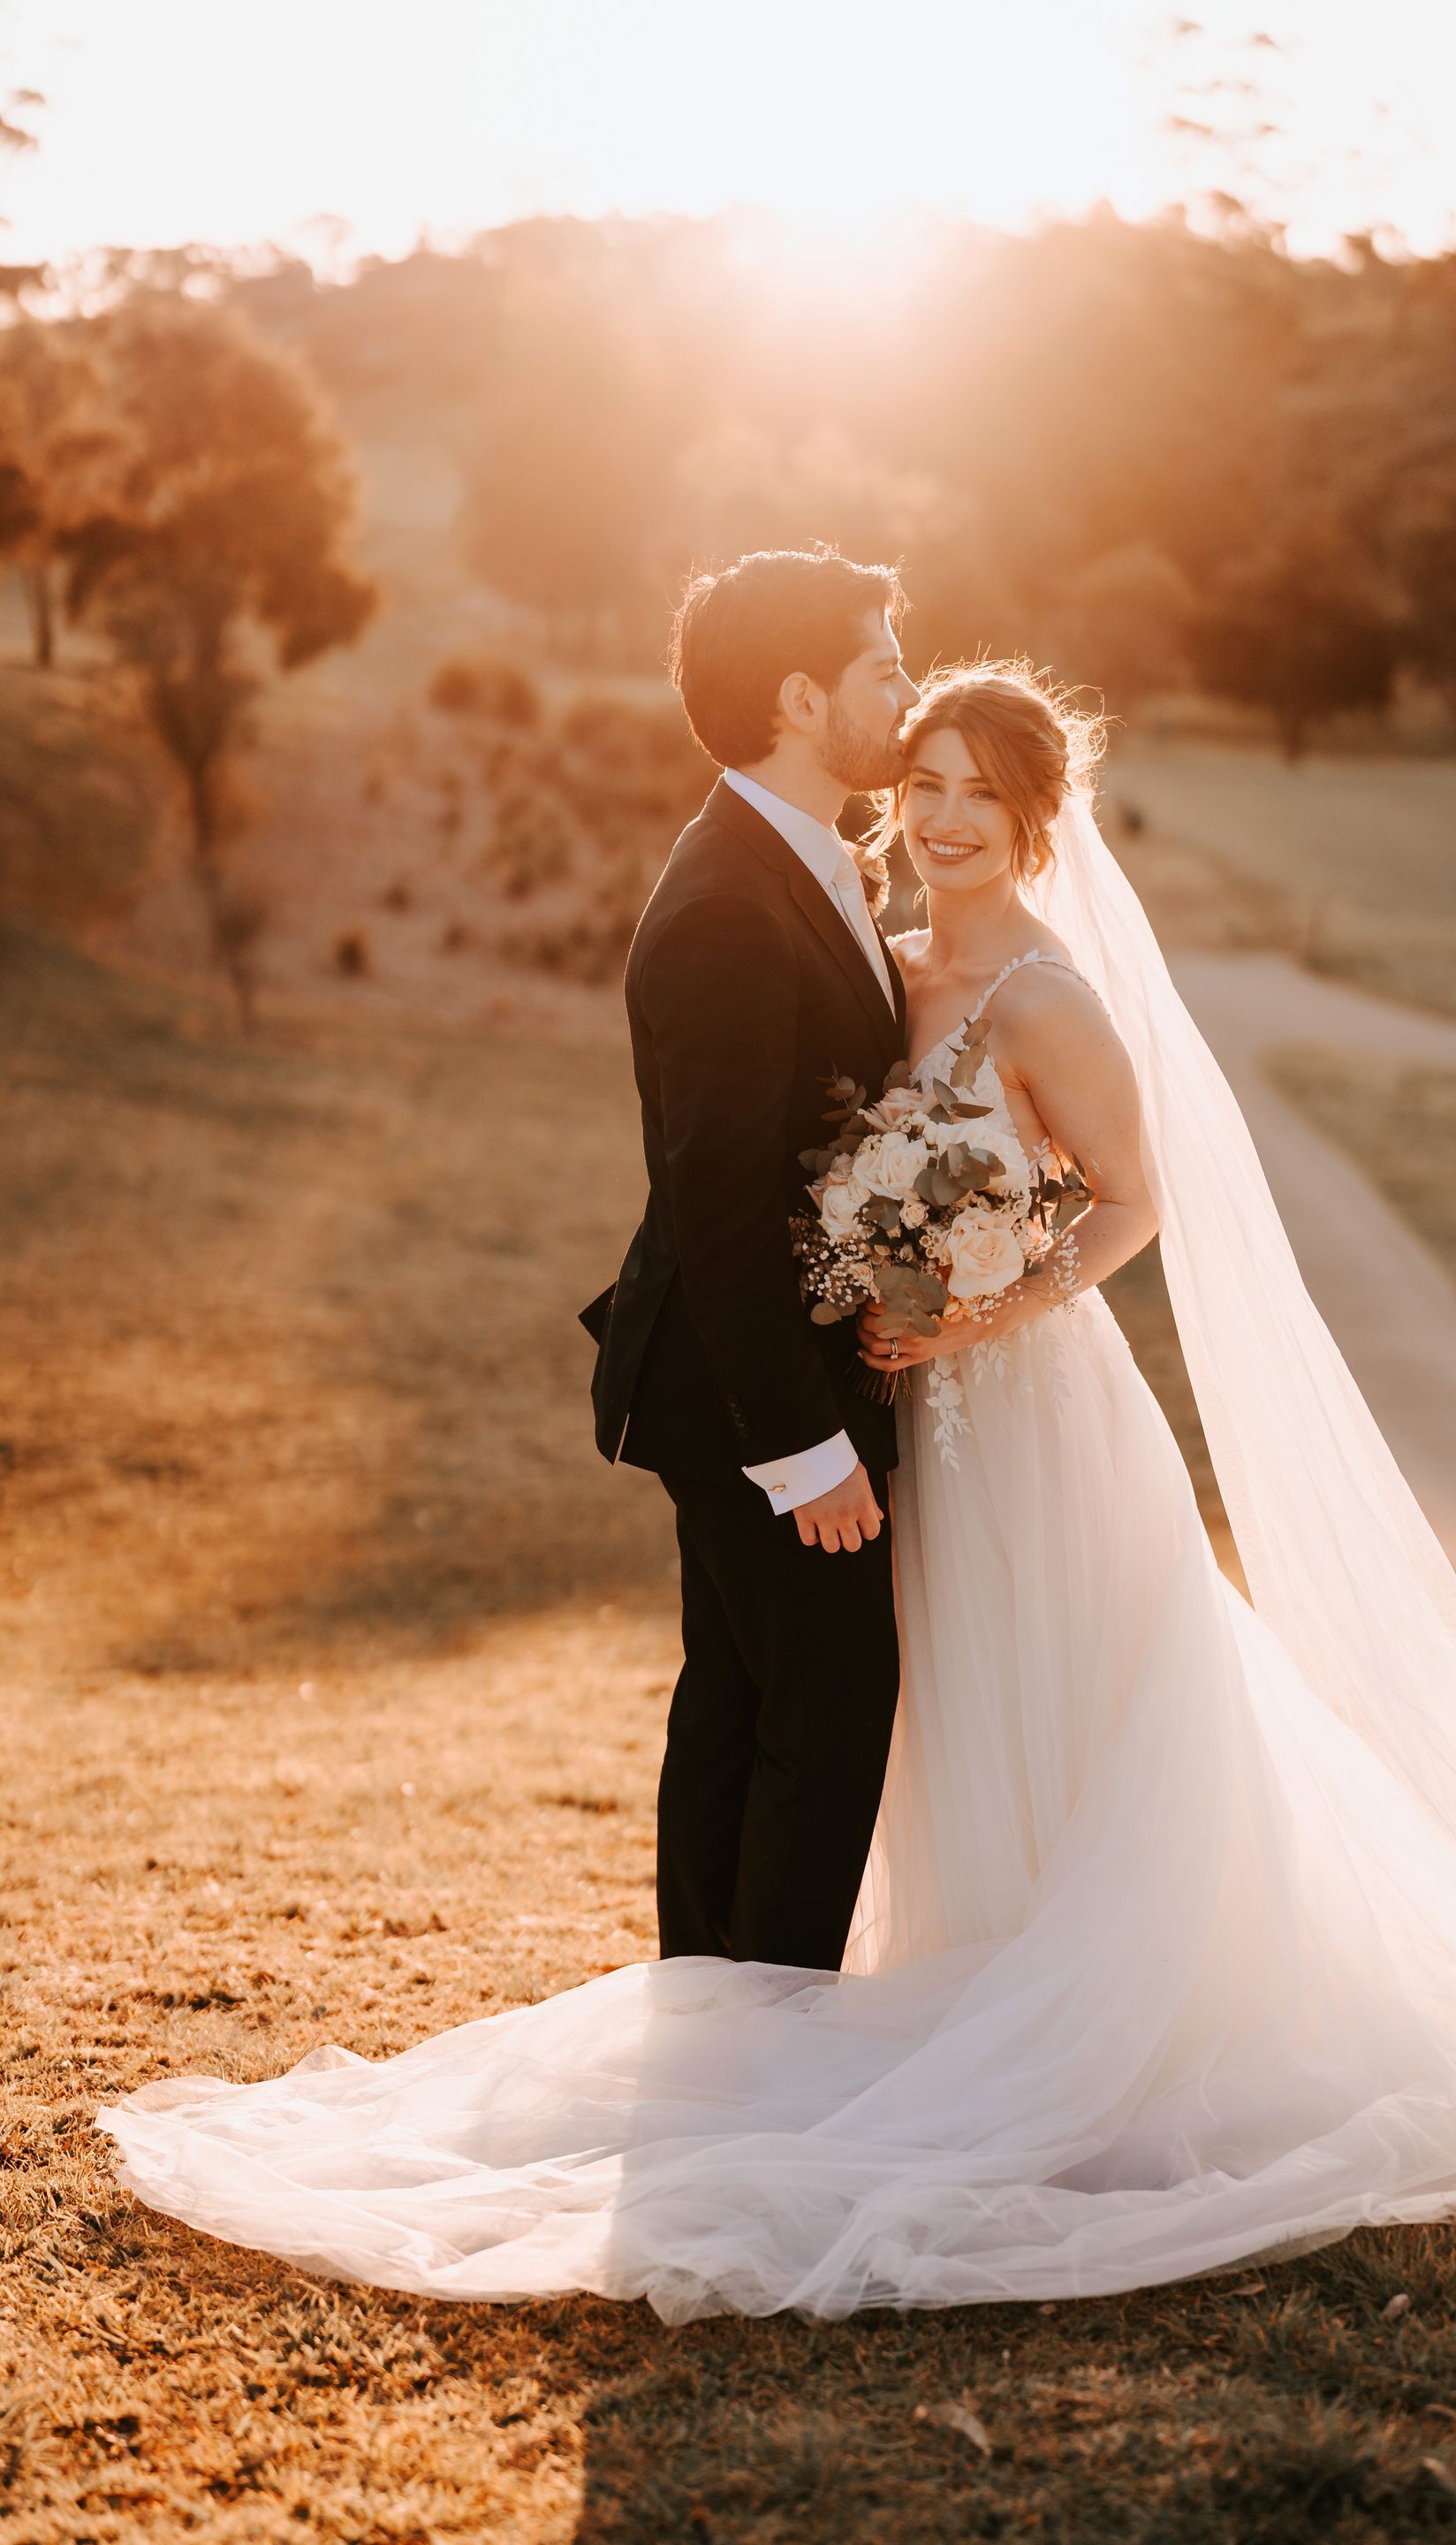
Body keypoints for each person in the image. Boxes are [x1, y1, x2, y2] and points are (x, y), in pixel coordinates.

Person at [101, 664, 1456, 2323]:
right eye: (920, 783)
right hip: (910, 1421)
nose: (937, 820)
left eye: (975, 799)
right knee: (939, 1704)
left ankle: (1111, 2018)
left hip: (1035, 1411)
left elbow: (1133, 1206)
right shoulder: (886, 957)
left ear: (1034, 820)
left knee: (1083, 1700)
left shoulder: (1049, 998)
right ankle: (945, 1981)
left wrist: (982, 1307)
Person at [580, 546, 918, 1972]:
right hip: (747, 1397)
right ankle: (768, 2068)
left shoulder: (805, 855)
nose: (909, 692)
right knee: (829, 1706)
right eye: (884, 669)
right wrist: (804, 1447)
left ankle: (711, 2045)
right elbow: (715, 1206)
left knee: (739, 1701)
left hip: (751, 1373)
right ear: (801, 697)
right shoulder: (728, 902)